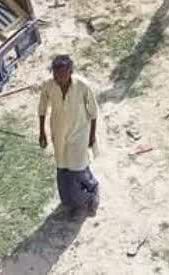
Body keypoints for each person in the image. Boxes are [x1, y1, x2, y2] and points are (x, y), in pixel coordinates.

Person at [37, 54, 100, 217]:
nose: (59, 79)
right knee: (62, 169)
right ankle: (69, 202)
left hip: (79, 133)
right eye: (56, 75)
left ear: (70, 71)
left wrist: (92, 136)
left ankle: (90, 196)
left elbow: (93, 113)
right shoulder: (48, 86)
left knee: (77, 169)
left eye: (62, 75)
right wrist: (42, 132)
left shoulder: (83, 86)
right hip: (59, 133)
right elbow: (42, 108)